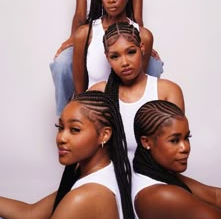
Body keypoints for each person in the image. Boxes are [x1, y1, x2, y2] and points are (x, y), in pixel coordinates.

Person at [0, 91, 135, 219]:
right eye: (60, 128)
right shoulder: (104, 172)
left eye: (75, 129)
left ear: (104, 135)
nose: (61, 138)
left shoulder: (85, 196)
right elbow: (30, 214)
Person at [89, 21, 184, 164]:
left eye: (131, 52)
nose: (125, 62)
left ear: (142, 48)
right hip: (109, 177)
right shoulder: (98, 93)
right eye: (115, 56)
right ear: (107, 57)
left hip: (156, 176)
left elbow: (175, 147)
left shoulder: (167, 91)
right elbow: (87, 148)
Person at [132, 100, 221, 219]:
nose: (185, 147)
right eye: (174, 140)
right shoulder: (160, 194)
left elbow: (214, 197)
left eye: (187, 138)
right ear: (146, 142)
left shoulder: (154, 172)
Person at [73, 0, 155, 98]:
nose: (111, 0)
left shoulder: (143, 36)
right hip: (94, 111)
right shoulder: (84, 34)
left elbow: (139, 87)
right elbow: (79, 92)